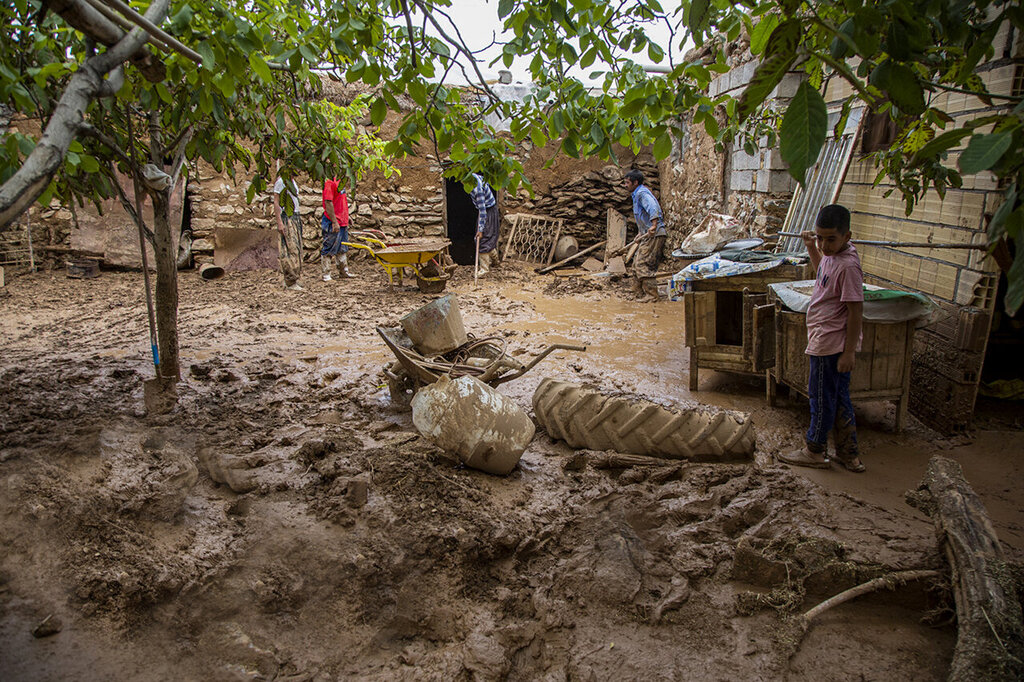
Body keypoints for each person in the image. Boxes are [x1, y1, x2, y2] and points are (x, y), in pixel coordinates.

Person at [778, 204, 866, 473]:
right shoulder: (832, 256)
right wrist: (811, 248)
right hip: (825, 338)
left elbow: (855, 311)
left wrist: (849, 352)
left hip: (830, 344)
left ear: (847, 237)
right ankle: (849, 454)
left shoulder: (849, 267)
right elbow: (822, 275)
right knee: (838, 397)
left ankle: (814, 450)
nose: (824, 245)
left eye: (830, 239)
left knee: (820, 398)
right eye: (820, 238)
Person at [624, 169, 667, 299]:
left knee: (643, 264)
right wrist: (640, 233)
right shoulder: (636, 195)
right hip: (646, 234)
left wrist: (654, 225)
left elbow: (653, 207)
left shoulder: (642, 194)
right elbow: (642, 217)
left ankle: (652, 295)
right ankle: (637, 292)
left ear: (635, 182)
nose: (625, 185)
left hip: (654, 234)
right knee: (636, 264)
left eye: (627, 183)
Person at [272, 172, 304, 291]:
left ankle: (294, 277)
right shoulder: (281, 182)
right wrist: (279, 221)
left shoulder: (292, 181)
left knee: (297, 248)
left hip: (295, 215)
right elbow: (276, 201)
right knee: (291, 249)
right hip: (287, 216)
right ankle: (290, 280)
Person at [321, 177, 355, 280]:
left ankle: (343, 271)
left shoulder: (340, 180)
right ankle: (326, 274)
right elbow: (328, 202)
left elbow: (340, 201)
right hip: (333, 221)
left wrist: (347, 216)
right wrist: (334, 221)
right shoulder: (329, 182)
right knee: (329, 247)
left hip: (342, 220)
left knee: (342, 248)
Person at [470, 173, 500, 276]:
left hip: (488, 211)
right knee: (487, 239)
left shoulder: (477, 190)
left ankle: (484, 269)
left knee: (482, 239)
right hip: (488, 208)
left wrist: (480, 229)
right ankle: (495, 260)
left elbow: (482, 211)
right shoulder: (474, 176)